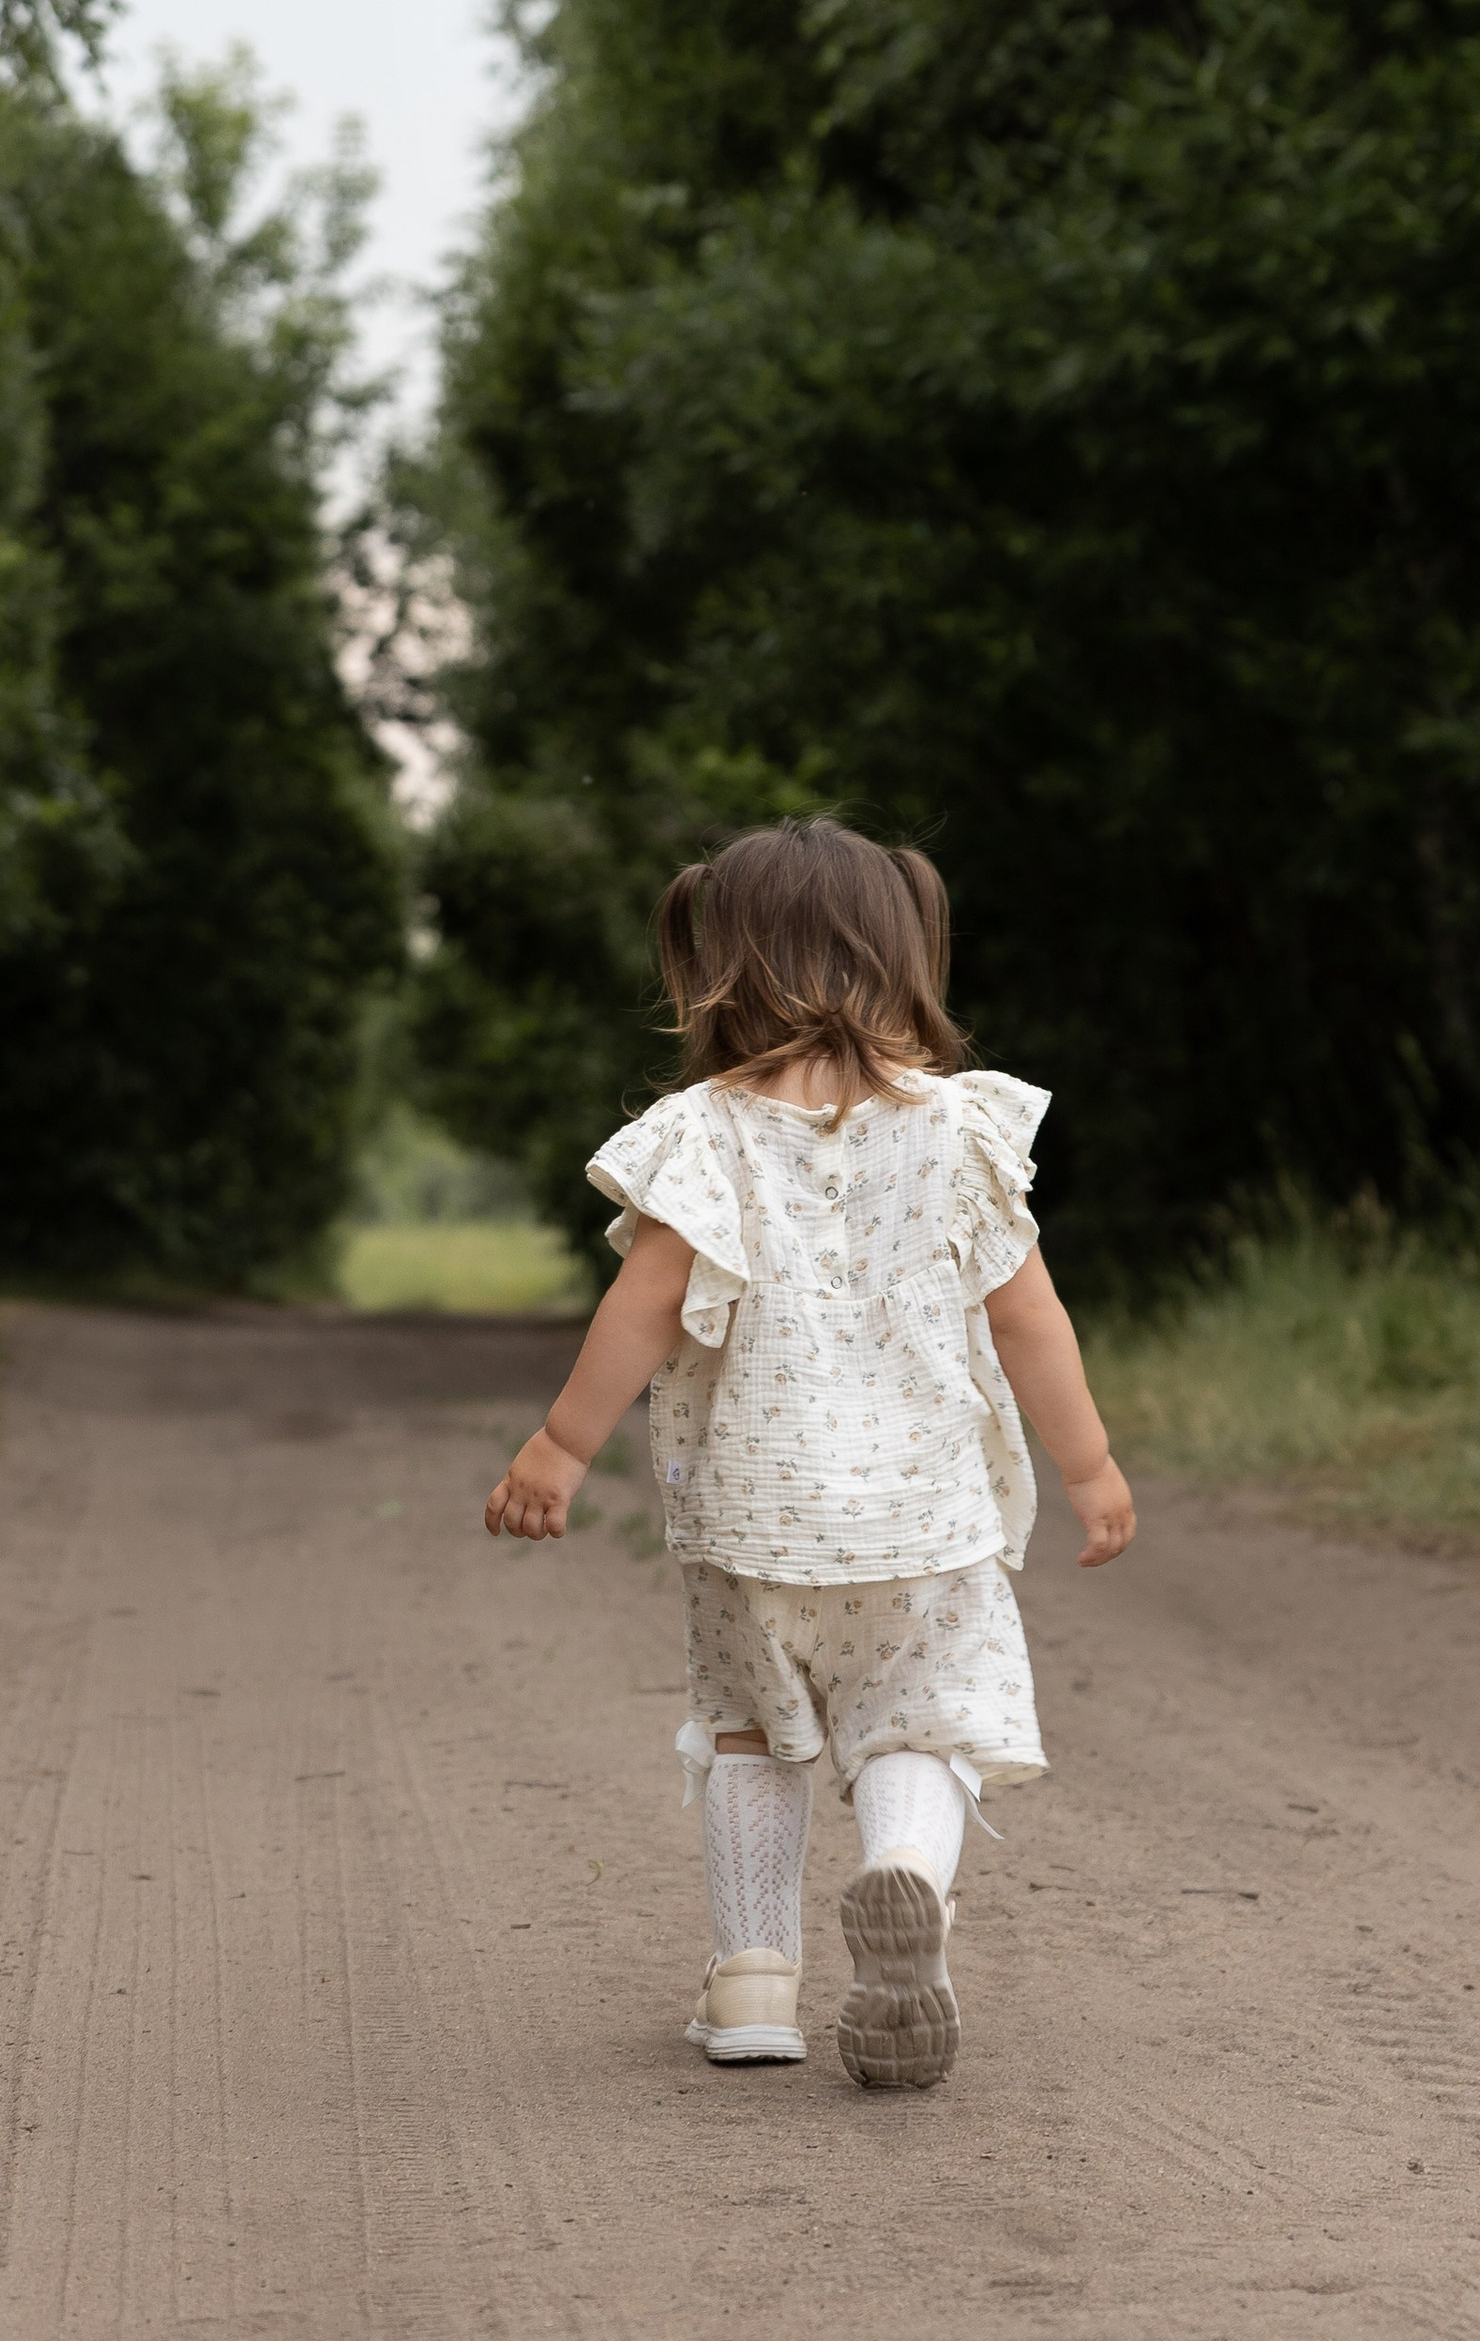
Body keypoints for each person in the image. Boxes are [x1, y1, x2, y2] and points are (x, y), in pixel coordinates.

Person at [483, 816, 1134, 2091]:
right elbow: (1027, 1315)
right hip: (924, 1524)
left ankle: (752, 1987)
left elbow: (644, 1304)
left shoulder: (705, 1134)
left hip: (751, 1522)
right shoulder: (957, 1131)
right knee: (924, 1722)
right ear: (901, 952)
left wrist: (560, 1448)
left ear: (720, 964)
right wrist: (1091, 1466)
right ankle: (902, 1877)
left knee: (749, 1733)